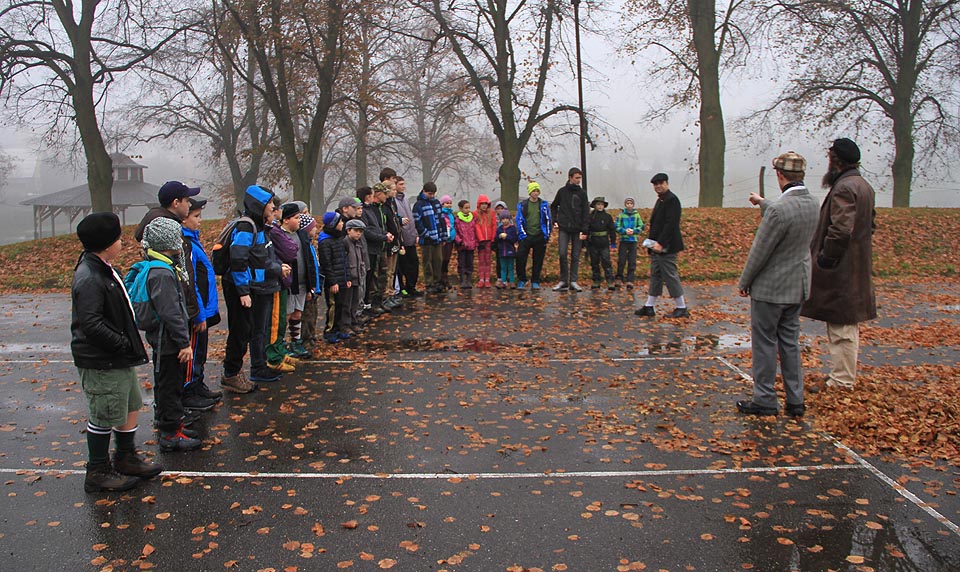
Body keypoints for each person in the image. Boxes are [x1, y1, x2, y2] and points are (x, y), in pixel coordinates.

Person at [72, 212, 161, 493]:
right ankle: (97, 470)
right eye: (118, 239)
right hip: (102, 360)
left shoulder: (105, 268)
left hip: (118, 357)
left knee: (130, 403)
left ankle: (125, 456)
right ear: (106, 244)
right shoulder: (89, 277)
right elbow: (91, 323)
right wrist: (121, 342)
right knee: (104, 412)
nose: (121, 242)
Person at [734, 152, 820, 417]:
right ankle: (796, 400)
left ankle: (765, 399)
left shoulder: (779, 211)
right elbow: (784, 214)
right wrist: (763, 203)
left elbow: (760, 251)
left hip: (771, 289)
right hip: (798, 286)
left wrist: (744, 281)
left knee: (764, 344)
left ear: (780, 175)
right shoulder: (813, 203)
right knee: (790, 343)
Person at [802, 138, 877, 390]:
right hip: (855, 262)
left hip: (842, 267)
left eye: (830, 158)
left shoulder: (845, 188)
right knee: (845, 324)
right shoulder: (863, 186)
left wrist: (827, 257)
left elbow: (841, 229)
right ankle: (842, 374)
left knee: (841, 325)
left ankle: (842, 380)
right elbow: (870, 224)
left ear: (837, 161)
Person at [129, 217, 202, 452]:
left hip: (166, 339)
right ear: (169, 241)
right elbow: (170, 311)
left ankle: (172, 424)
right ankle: (170, 433)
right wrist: (183, 343)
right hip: (168, 341)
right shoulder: (161, 273)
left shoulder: (162, 266)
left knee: (170, 383)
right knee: (169, 385)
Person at [221, 185, 284, 389]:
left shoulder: (257, 226)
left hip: (252, 287)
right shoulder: (246, 227)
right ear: (260, 205)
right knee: (240, 331)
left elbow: (258, 258)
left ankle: (239, 371)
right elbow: (238, 259)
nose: (273, 207)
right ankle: (231, 374)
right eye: (270, 203)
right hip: (240, 288)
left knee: (248, 330)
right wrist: (243, 291)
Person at [180, 198, 222, 413]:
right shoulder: (185, 243)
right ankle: (189, 391)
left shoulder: (193, 240)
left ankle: (198, 384)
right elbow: (191, 281)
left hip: (204, 307)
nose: (200, 221)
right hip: (197, 310)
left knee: (201, 350)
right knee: (194, 350)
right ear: (183, 218)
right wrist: (198, 313)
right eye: (196, 216)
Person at [635, 173, 688, 318]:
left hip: (667, 246)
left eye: (661, 183)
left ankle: (682, 307)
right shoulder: (661, 200)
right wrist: (651, 243)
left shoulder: (672, 200)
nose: (658, 186)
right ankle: (649, 306)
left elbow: (671, 224)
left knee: (670, 275)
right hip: (655, 245)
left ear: (667, 183)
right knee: (656, 275)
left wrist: (661, 243)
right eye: (655, 184)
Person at [264, 203, 298, 372]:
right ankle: (273, 357)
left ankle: (279, 350)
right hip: (274, 281)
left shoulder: (273, 230)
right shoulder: (272, 232)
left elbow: (292, 249)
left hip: (281, 281)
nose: (274, 212)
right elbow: (290, 251)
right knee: (275, 321)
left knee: (280, 320)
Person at [551, 167, 589, 292]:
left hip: (577, 229)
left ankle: (573, 280)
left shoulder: (582, 193)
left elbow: (585, 212)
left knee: (575, 255)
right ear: (570, 177)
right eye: (576, 178)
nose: (578, 180)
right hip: (564, 227)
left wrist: (585, 230)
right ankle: (563, 280)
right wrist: (555, 220)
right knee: (562, 253)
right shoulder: (562, 192)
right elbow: (554, 206)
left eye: (580, 178)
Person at [516, 181, 552, 289]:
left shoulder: (543, 205)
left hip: (539, 236)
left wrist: (547, 234)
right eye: (534, 191)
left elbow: (548, 220)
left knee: (538, 260)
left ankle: (535, 281)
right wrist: (523, 234)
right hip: (526, 236)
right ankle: (522, 279)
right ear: (530, 192)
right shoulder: (523, 205)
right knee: (520, 258)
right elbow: (519, 220)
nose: (536, 193)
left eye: (537, 191)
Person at [412, 182, 447, 294]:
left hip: (438, 238)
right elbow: (417, 221)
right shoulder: (419, 205)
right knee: (427, 261)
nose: (431, 196)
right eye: (429, 193)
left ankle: (437, 281)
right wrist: (425, 233)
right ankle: (429, 283)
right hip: (426, 239)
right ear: (424, 191)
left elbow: (441, 219)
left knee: (438, 260)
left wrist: (444, 235)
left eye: (433, 194)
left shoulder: (436, 203)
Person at [317, 212, 346, 343]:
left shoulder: (338, 239)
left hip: (341, 277)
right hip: (333, 281)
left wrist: (347, 278)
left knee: (341, 304)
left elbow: (343, 260)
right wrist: (332, 281)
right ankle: (330, 330)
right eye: (340, 222)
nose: (342, 224)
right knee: (333, 306)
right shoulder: (325, 242)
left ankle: (338, 328)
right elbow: (326, 264)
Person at [392, 175, 421, 298]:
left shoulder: (405, 200)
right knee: (402, 265)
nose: (403, 187)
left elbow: (411, 218)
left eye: (404, 184)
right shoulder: (394, 201)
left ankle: (411, 287)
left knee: (413, 263)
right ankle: (402, 288)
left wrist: (415, 234)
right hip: (401, 238)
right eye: (400, 184)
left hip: (410, 236)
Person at [340, 219, 368, 337]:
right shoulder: (345, 243)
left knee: (355, 301)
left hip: (358, 276)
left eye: (360, 231)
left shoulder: (358, 243)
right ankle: (345, 325)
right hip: (349, 278)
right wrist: (347, 277)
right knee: (347, 303)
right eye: (356, 231)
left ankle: (354, 321)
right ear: (348, 230)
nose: (358, 234)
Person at [586, 196, 617, 290]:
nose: (600, 206)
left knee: (606, 262)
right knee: (594, 263)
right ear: (594, 205)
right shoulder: (591, 217)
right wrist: (585, 243)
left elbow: (612, 230)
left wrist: (613, 242)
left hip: (604, 242)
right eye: (598, 204)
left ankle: (610, 281)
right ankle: (596, 280)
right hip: (593, 242)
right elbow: (587, 230)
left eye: (601, 204)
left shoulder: (607, 217)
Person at [615, 197, 643, 289]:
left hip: (633, 240)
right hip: (624, 240)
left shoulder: (637, 215)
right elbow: (617, 226)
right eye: (627, 204)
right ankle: (619, 277)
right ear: (625, 205)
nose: (629, 205)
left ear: (633, 205)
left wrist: (634, 231)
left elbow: (641, 226)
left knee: (632, 260)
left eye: (631, 204)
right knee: (622, 260)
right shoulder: (621, 215)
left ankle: (630, 280)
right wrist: (624, 231)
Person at [474, 194, 497, 287]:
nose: (484, 205)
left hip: (489, 240)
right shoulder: (475, 214)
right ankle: (481, 279)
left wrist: (493, 238)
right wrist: (480, 239)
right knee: (481, 260)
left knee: (488, 260)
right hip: (481, 241)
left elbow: (494, 225)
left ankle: (487, 279)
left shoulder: (491, 213)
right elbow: (476, 227)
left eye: (485, 203)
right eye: (482, 203)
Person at [454, 199, 478, 289]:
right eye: (466, 208)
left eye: (469, 208)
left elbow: (475, 231)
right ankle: (462, 280)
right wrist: (459, 241)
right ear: (461, 208)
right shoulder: (457, 219)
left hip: (471, 245)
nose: (468, 210)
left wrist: (475, 242)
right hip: (462, 245)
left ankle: (469, 280)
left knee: (470, 263)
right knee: (462, 262)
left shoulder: (473, 218)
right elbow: (455, 232)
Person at [495, 212, 519, 288]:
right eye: (503, 219)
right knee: (503, 267)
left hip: (510, 251)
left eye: (506, 219)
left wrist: (507, 237)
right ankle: (503, 281)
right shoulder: (499, 229)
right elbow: (495, 239)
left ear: (509, 219)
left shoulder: (512, 228)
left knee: (511, 267)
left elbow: (514, 239)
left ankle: (512, 281)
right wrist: (499, 236)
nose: (505, 220)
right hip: (502, 251)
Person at [439, 194, 457, 290]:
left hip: (450, 240)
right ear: (442, 204)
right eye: (446, 203)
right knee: (442, 259)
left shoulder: (451, 214)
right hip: (443, 240)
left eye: (450, 203)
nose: (449, 205)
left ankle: (445, 278)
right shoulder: (441, 214)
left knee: (447, 260)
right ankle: (441, 279)